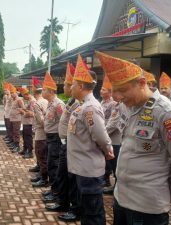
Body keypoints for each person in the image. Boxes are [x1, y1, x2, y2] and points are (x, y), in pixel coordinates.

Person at [96, 51, 171, 225]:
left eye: (122, 90)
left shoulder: (167, 114)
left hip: (147, 206)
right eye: (114, 91)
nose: (116, 97)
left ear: (142, 83)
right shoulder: (126, 106)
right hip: (122, 198)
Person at [60, 55, 114, 224]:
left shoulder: (90, 107)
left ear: (81, 86)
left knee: (93, 212)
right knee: (87, 210)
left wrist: (108, 150)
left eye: (73, 85)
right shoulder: (82, 105)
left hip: (89, 168)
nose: (71, 88)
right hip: (81, 167)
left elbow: (100, 136)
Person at [46, 61, 78, 213]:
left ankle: (67, 203)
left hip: (70, 144)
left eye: (66, 84)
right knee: (61, 174)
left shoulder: (78, 104)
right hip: (65, 143)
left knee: (67, 176)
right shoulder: (71, 102)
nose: (63, 87)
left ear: (73, 86)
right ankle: (62, 200)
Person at [40, 71, 65, 203]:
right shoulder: (50, 104)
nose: (41, 92)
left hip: (55, 138)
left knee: (53, 165)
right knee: (50, 165)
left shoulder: (58, 104)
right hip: (49, 137)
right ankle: (53, 189)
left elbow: (63, 122)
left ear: (50, 90)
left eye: (43, 89)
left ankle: (56, 192)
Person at [29, 77, 49, 185]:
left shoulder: (37, 104)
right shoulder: (45, 101)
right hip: (46, 132)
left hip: (41, 132)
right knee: (44, 156)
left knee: (40, 154)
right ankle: (42, 175)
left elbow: (41, 120)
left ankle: (43, 178)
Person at [100, 75, 117, 188]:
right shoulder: (101, 103)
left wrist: (102, 133)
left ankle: (114, 185)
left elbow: (112, 123)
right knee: (105, 161)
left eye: (103, 89)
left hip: (113, 138)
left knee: (113, 164)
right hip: (104, 135)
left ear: (110, 92)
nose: (101, 91)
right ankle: (105, 180)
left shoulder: (113, 104)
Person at [17, 87, 35, 158]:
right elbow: (27, 109)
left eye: (23, 95)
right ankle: (25, 149)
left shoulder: (32, 101)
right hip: (25, 122)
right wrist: (23, 109)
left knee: (28, 137)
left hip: (29, 122)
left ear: (27, 94)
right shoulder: (29, 100)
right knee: (24, 136)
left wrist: (23, 112)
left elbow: (33, 113)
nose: (23, 97)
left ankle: (30, 152)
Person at [7, 85, 23, 153]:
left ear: (16, 92)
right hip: (12, 119)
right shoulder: (13, 100)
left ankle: (17, 146)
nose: (12, 94)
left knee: (16, 132)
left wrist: (18, 113)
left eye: (12, 93)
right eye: (11, 93)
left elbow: (23, 108)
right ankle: (14, 143)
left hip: (17, 119)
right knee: (13, 132)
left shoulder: (19, 100)